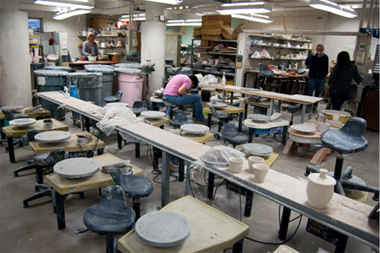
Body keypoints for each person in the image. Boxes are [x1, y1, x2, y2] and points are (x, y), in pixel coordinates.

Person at [305, 44, 329, 111]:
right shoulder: (312, 55)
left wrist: (324, 76)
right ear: (316, 49)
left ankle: (314, 107)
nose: (319, 51)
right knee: (309, 92)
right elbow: (306, 63)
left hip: (321, 78)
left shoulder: (325, 57)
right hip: (312, 77)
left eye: (321, 50)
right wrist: (312, 56)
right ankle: (307, 106)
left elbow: (326, 67)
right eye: (318, 49)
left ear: (323, 50)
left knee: (318, 93)